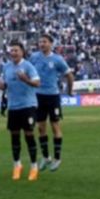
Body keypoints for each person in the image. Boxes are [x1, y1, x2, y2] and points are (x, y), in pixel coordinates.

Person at [29, 35, 72, 172]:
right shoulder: (34, 57)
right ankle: (46, 157)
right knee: (41, 128)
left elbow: (69, 75)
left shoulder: (57, 59)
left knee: (55, 126)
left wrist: (70, 90)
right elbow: (27, 72)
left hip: (52, 97)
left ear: (51, 44)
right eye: (40, 41)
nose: (42, 44)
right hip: (37, 96)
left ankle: (57, 158)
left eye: (45, 42)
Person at [0, 41, 42, 181]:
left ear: (22, 52)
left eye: (16, 50)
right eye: (12, 50)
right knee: (14, 136)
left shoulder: (28, 66)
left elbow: (37, 83)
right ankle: (17, 165)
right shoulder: (6, 67)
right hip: (13, 106)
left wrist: (26, 80)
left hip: (28, 105)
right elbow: (5, 84)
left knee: (29, 135)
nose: (13, 53)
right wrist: (2, 86)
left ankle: (34, 167)